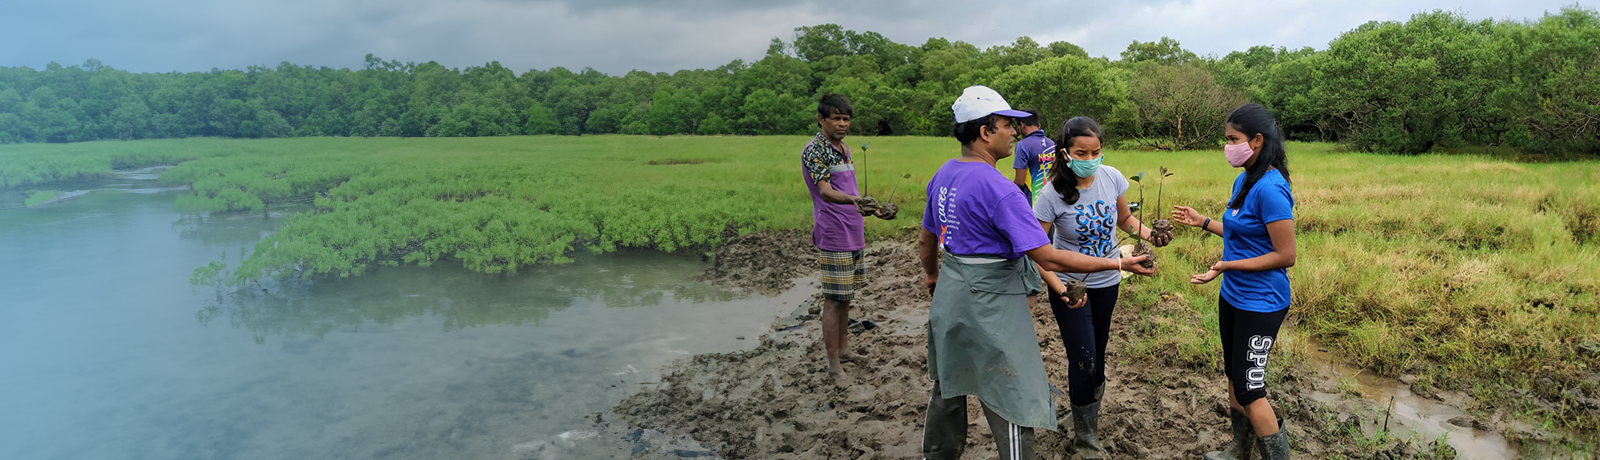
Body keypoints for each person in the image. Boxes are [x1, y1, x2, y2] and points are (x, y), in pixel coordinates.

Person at [918, 86, 1155, 460]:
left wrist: (933, 276)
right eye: (1007, 125)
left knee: (948, 379)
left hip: (951, 291)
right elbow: (1047, 256)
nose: (1015, 132)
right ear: (985, 131)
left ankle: (938, 454)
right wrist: (1118, 263)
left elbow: (927, 240)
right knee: (1010, 388)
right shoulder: (1003, 190)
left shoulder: (944, 174)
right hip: (992, 300)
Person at [1031, 116, 1170, 459]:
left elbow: (1124, 220)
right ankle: (1085, 441)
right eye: (1082, 151)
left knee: (1099, 353)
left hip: (1108, 280)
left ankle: (1082, 418)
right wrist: (1058, 287)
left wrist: (1151, 235)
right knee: (1083, 358)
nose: (1090, 158)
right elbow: (1037, 252)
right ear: (1065, 153)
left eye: (1096, 151)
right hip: (1071, 288)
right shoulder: (1050, 196)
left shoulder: (1113, 178)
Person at [1172, 103, 1296, 460]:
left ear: (1256, 141)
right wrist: (1205, 222)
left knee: (1250, 389)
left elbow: (1286, 255)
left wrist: (1228, 264)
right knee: (1233, 376)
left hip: (1262, 302)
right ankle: (1239, 450)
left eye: (1233, 139)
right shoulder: (1245, 178)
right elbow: (1243, 232)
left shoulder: (1271, 188)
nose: (1228, 146)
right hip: (1234, 297)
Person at [800, 93, 893, 386]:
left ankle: (844, 349)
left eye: (846, 118)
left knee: (847, 296)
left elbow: (852, 191)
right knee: (833, 300)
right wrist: (856, 200)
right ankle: (833, 364)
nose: (842, 124)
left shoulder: (845, 149)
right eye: (836, 118)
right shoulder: (815, 151)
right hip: (833, 232)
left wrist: (876, 210)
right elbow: (827, 191)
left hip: (853, 231)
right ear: (821, 119)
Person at [1011, 108, 1056, 203]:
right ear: (1038, 125)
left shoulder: (1022, 145)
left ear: (1022, 125)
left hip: (1033, 202)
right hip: (1052, 199)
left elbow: (1020, 182)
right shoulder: (1052, 144)